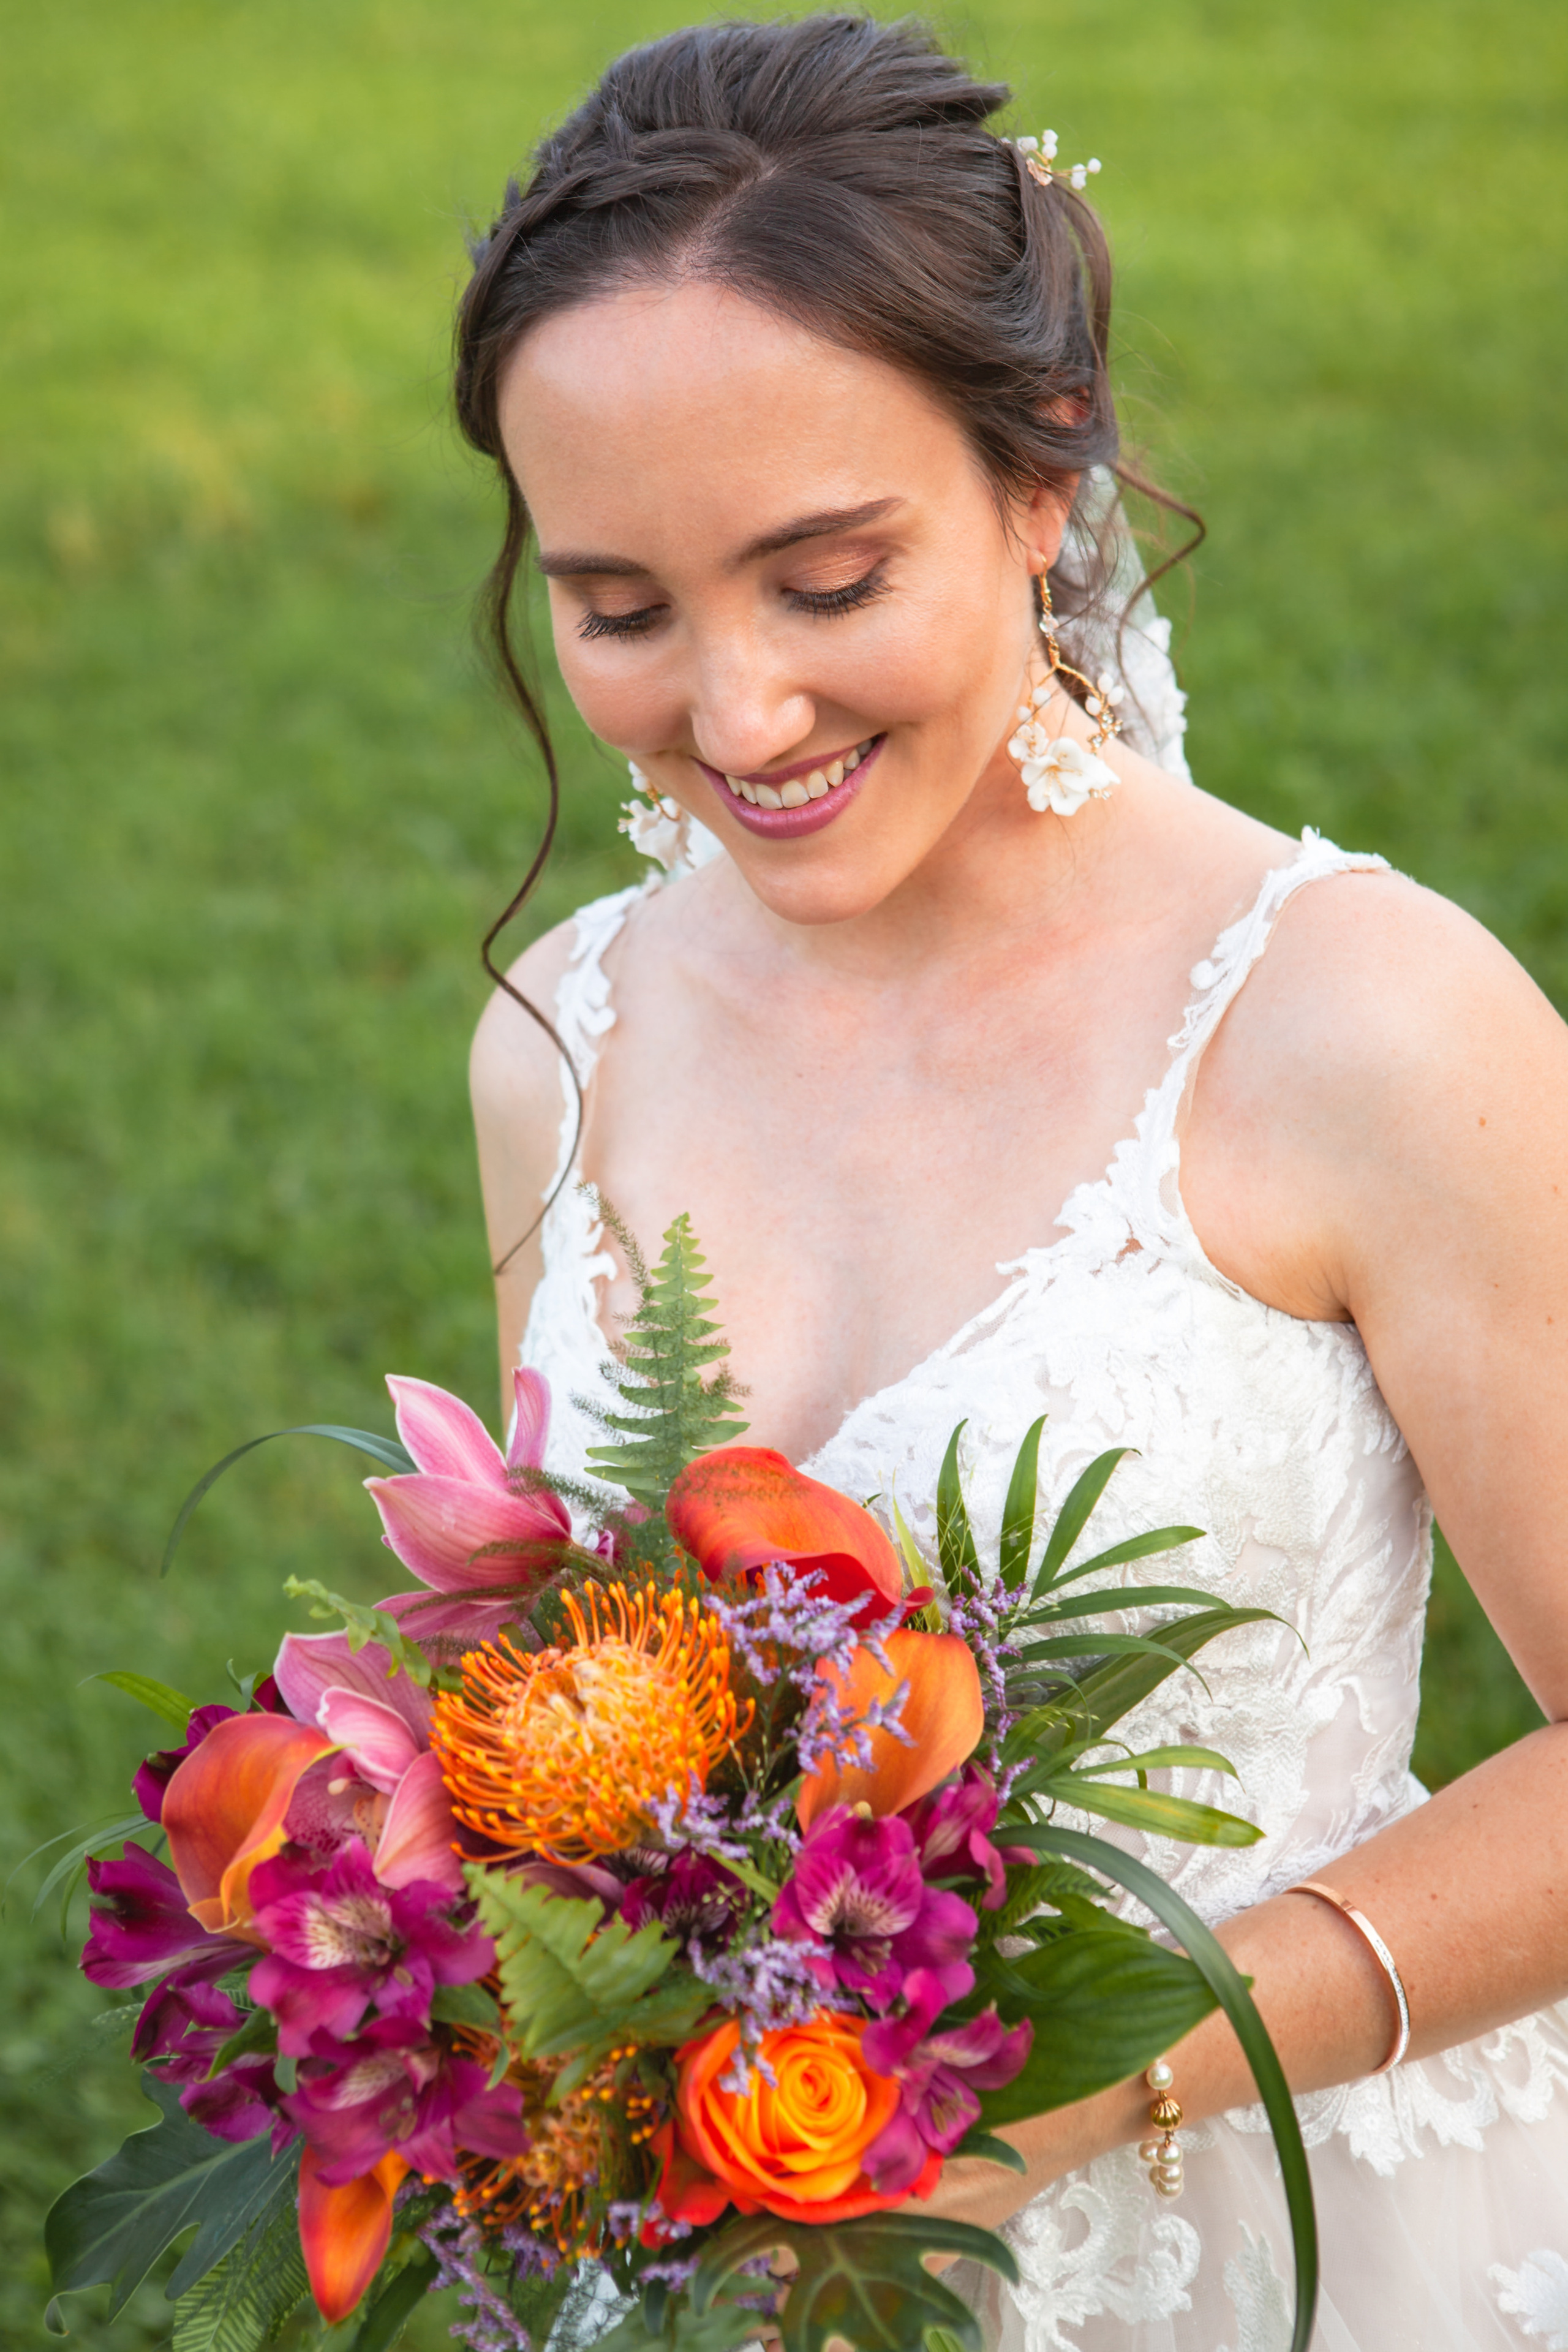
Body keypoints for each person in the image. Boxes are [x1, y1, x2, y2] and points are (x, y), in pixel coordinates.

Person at [457, 17, 1568, 2346]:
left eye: (826, 578)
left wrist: (1092, 2079)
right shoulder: (562, 1035)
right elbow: (585, 1686)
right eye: (624, 609)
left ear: (1044, 472)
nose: (738, 716)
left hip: (1274, 2234)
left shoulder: (1362, 1023)